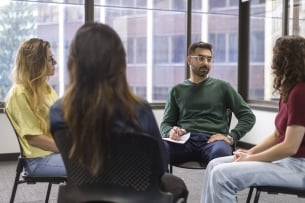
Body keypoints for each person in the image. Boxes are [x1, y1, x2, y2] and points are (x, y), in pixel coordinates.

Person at [49, 22, 188, 202]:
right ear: (120, 64)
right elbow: (160, 167)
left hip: (83, 195)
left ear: (72, 64)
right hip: (138, 198)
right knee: (177, 185)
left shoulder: (59, 111)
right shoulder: (139, 111)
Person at [200, 35, 305, 203]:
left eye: (276, 55)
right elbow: (277, 135)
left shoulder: (300, 92)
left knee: (222, 175)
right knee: (215, 165)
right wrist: (249, 152)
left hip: (299, 168)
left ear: (285, 59)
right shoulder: (288, 90)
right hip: (287, 161)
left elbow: (290, 147)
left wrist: (250, 159)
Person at [160, 41, 256, 165]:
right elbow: (166, 123)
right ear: (189, 60)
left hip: (213, 142)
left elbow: (248, 116)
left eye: (209, 59)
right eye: (201, 58)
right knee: (159, 149)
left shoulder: (223, 87)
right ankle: (166, 185)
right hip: (185, 141)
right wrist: (170, 132)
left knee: (221, 154)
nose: (206, 63)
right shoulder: (176, 90)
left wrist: (231, 137)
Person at [5, 38, 66, 176]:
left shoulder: (46, 89)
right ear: (37, 63)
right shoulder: (19, 94)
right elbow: (34, 139)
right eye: (50, 59)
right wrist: (69, 149)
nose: (55, 63)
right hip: (39, 160)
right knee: (92, 169)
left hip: (54, 153)